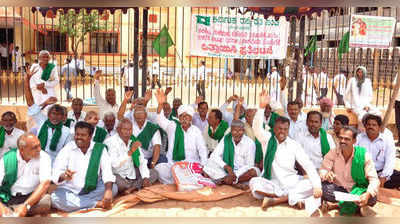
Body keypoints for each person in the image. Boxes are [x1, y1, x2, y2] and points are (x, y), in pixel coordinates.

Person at [249, 90, 322, 214]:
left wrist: (317, 186)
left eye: (285, 129)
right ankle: (292, 198)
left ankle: (277, 200)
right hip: (272, 182)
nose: (282, 132)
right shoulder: (267, 139)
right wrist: (261, 108)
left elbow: (308, 164)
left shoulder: (294, 145)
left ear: (288, 130)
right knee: (254, 183)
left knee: (313, 184)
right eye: (279, 129)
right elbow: (256, 128)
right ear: (274, 129)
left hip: (291, 182)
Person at [51, 121, 117, 212]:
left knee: (113, 188)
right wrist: (64, 176)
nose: (79, 137)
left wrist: (108, 191)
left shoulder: (99, 149)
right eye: (77, 134)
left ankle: (80, 203)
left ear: (90, 137)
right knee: (55, 198)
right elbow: (57, 171)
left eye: (83, 135)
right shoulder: (68, 148)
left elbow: (107, 171)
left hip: (93, 188)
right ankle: (96, 203)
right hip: (71, 190)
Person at [319, 126, 379, 216]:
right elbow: (323, 170)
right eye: (341, 138)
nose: (342, 141)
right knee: (324, 189)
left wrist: (367, 194)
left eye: (347, 139)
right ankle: (358, 207)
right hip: (339, 189)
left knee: (372, 197)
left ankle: (336, 205)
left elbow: (374, 179)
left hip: (358, 189)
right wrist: (326, 174)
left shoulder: (363, 155)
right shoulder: (333, 153)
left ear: (354, 140)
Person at [153, 89, 208, 184]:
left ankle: (181, 180)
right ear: (178, 117)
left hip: (191, 164)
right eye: (182, 116)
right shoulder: (172, 126)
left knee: (198, 171)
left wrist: (204, 166)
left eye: (187, 116)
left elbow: (202, 149)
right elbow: (160, 119)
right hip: (174, 165)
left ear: (191, 118)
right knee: (159, 169)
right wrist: (160, 104)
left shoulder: (196, 131)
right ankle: (183, 180)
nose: (184, 119)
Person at [0, 133, 52, 217]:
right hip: (8, 196)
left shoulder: (44, 157)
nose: (39, 149)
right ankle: (13, 212)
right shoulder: (7, 159)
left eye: (39, 145)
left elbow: (45, 184)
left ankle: (14, 212)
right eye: (34, 147)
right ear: (22, 150)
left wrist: (26, 205)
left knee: (46, 201)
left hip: (31, 197)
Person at [25, 71, 72, 162]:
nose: (55, 117)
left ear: (63, 117)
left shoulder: (67, 131)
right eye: (53, 113)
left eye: (58, 114)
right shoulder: (42, 121)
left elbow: (67, 153)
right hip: (36, 160)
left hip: (55, 164)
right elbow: (30, 103)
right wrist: (27, 80)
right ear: (49, 115)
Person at [105, 118, 158, 195]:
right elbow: (114, 164)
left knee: (154, 173)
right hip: (118, 174)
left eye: (130, 129)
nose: (128, 132)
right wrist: (130, 152)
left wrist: (145, 177)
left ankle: (132, 188)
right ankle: (136, 186)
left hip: (131, 172)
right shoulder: (110, 142)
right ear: (118, 130)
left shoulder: (133, 140)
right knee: (118, 184)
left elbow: (141, 161)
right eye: (125, 129)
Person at [204, 120, 259, 189]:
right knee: (209, 163)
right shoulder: (226, 139)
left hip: (241, 173)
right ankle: (233, 183)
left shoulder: (250, 143)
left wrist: (235, 175)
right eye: (235, 131)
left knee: (254, 172)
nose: (237, 133)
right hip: (226, 171)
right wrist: (226, 167)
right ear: (231, 131)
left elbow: (249, 165)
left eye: (240, 130)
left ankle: (227, 181)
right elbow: (214, 155)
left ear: (244, 131)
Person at [356, 114, 400, 190]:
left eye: (374, 125)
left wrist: (383, 177)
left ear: (379, 127)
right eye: (368, 124)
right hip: (363, 174)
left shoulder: (386, 140)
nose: (371, 127)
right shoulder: (359, 138)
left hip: (380, 173)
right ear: (365, 126)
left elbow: (390, 160)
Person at [344, 66, 376, 131]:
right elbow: (346, 94)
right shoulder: (352, 80)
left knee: (377, 114)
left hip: (365, 105)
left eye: (362, 72)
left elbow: (370, 95)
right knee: (362, 116)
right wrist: (348, 105)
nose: (360, 74)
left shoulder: (367, 81)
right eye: (359, 72)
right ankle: (361, 134)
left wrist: (367, 105)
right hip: (354, 105)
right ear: (356, 72)